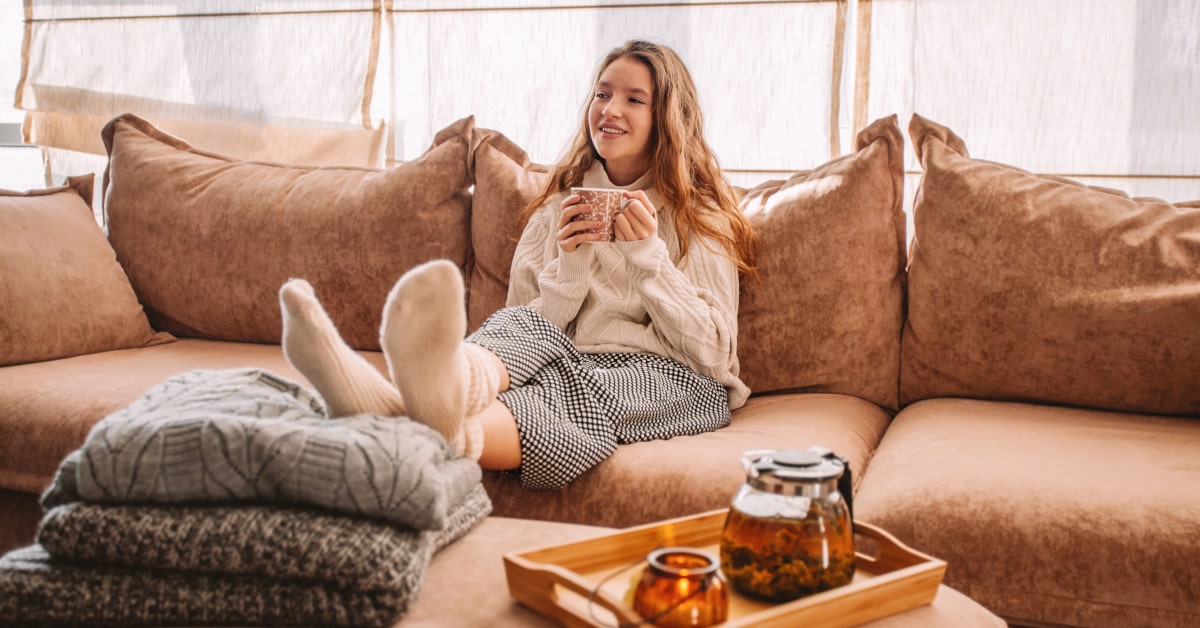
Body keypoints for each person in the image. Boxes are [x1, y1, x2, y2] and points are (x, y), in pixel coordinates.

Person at [279, 40, 755, 490]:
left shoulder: (699, 216)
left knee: (572, 395)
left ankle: (384, 407)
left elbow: (712, 355)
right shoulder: (556, 211)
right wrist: (569, 269)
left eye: (634, 99)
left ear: (667, 118)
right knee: (519, 328)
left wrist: (648, 260)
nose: (610, 110)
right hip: (563, 359)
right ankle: (441, 386)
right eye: (602, 94)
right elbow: (527, 331)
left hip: (670, 377)